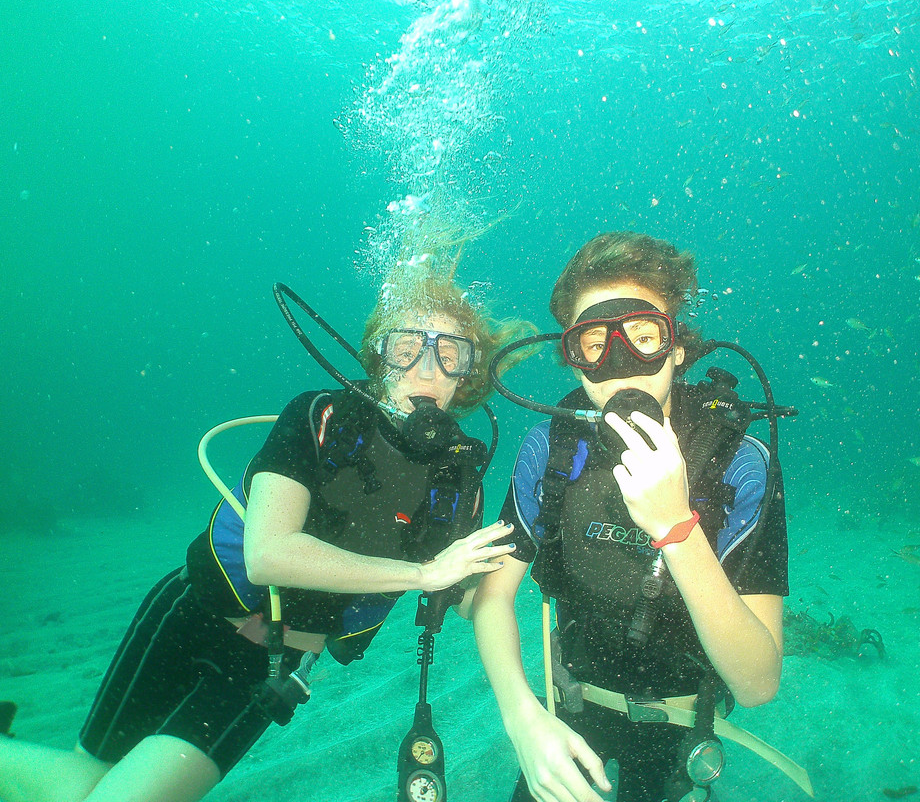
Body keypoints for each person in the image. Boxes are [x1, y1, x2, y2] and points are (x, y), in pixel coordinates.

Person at [0, 271, 523, 802]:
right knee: (88, 778)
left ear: (469, 373)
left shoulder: (459, 479)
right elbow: (269, 555)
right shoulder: (318, 417)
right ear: (378, 356)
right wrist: (421, 574)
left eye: (450, 352)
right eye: (407, 346)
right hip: (191, 614)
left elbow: (462, 593)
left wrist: (539, 567)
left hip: (268, 670)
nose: (427, 368)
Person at [471, 233, 791, 802]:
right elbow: (491, 598)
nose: (622, 364)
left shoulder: (739, 462)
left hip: (680, 726)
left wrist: (675, 528)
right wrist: (523, 718)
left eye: (644, 338)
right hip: (568, 708)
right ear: (572, 358)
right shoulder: (552, 449)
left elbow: (759, 682)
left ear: (677, 349)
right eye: (594, 343)